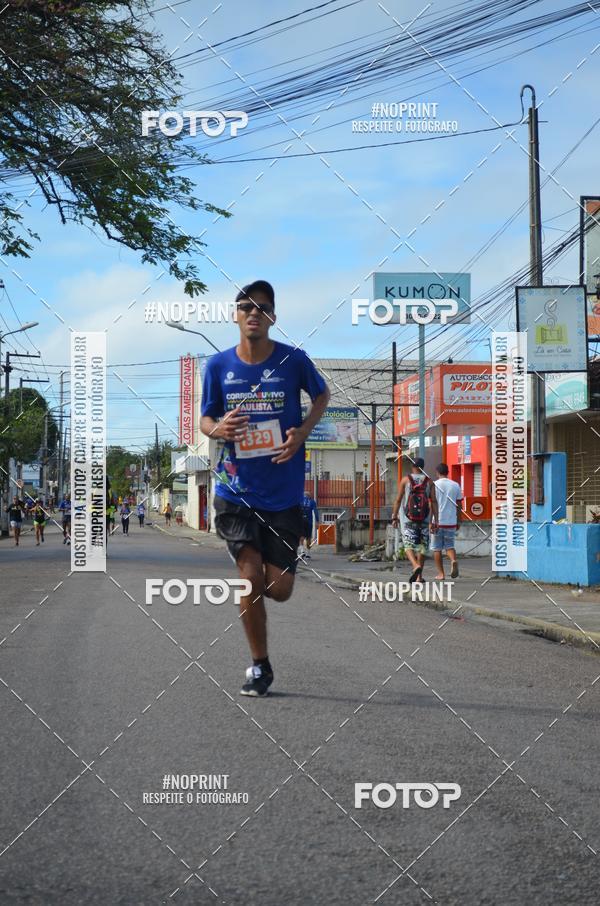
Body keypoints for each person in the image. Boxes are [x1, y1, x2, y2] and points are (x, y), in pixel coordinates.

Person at [201, 279, 330, 697]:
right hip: (236, 492)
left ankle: (272, 585)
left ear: (272, 316)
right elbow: (205, 420)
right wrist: (218, 428)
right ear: (236, 315)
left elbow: (323, 394)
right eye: (245, 306)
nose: (253, 312)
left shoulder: (294, 361)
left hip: (284, 496)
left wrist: (303, 432)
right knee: (250, 577)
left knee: (280, 589)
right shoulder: (218, 367)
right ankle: (260, 666)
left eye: (262, 307)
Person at [391, 457, 438, 584]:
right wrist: (435, 521)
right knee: (422, 547)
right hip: (424, 518)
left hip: (408, 519)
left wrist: (394, 516)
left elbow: (398, 500)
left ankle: (415, 565)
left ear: (412, 467)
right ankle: (419, 577)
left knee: (408, 545)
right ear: (423, 467)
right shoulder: (429, 482)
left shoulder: (405, 480)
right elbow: (433, 502)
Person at [431, 463, 463, 580]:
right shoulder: (455, 485)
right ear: (448, 472)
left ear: (437, 472)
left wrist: (431, 521)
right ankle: (453, 560)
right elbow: (459, 504)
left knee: (437, 548)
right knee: (449, 546)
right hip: (451, 522)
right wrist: (459, 520)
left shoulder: (434, 485)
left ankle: (441, 574)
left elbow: (432, 505)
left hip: (437, 522)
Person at [298, 491, 319, 560]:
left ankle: (302, 551)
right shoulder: (312, 501)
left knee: (301, 537)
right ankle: (308, 554)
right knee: (308, 538)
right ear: (309, 495)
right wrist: (317, 521)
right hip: (309, 522)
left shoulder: (299, 500)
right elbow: (315, 511)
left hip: (301, 521)